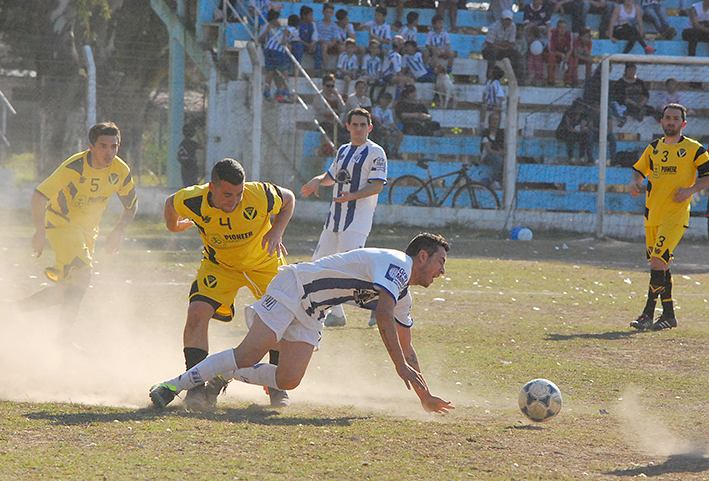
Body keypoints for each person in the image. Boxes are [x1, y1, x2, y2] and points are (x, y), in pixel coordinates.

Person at [149, 233, 455, 415]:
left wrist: (424, 396)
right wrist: (399, 365)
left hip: (314, 310)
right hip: (295, 287)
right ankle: (172, 385)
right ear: (422, 256)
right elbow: (384, 314)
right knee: (248, 354)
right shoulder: (399, 264)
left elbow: (407, 349)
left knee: (288, 379)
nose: (442, 270)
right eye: (440, 262)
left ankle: (222, 373)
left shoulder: (404, 296)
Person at [164, 158, 295, 409]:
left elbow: (288, 199)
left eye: (238, 194)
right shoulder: (193, 199)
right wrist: (174, 226)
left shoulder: (259, 194)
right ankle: (195, 387)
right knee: (197, 313)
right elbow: (171, 203)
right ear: (211, 187)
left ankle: (276, 387)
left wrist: (277, 230)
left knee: (278, 318)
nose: (234, 201)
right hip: (220, 266)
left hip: (264, 262)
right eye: (227, 194)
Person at [20, 122, 137, 343]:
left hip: (88, 232)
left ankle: (13, 313)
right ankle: (63, 340)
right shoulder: (74, 167)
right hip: (60, 223)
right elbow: (39, 195)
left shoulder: (120, 170)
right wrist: (39, 231)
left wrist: (119, 230)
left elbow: (131, 205)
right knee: (84, 273)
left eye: (114, 147)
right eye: (103, 146)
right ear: (91, 146)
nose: (109, 152)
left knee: (67, 291)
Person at [300, 108, 387, 327]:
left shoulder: (376, 152)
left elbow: (377, 186)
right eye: (354, 125)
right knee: (319, 267)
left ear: (370, 127)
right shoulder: (343, 150)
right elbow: (332, 176)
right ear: (348, 127)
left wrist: (353, 196)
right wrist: (317, 180)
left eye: (362, 125)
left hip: (357, 221)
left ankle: (378, 303)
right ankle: (336, 314)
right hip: (334, 220)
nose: (358, 129)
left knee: (351, 269)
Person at [628, 103, 709, 331]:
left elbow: (707, 176)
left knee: (657, 261)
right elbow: (639, 171)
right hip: (652, 214)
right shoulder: (653, 148)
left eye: (675, 118)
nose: (670, 121)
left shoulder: (695, 149)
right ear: (661, 121)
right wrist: (635, 183)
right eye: (667, 117)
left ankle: (647, 314)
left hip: (675, 216)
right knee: (661, 265)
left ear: (683, 124)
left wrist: (691, 190)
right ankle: (669, 315)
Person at [258, 9, 294, 103]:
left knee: (271, 70)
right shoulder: (266, 27)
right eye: (277, 19)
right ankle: (284, 90)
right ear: (273, 19)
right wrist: (267, 31)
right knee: (284, 69)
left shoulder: (277, 27)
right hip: (273, 50)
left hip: (270, 50)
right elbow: (260, 39)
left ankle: (267, 89)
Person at [482, 10, 525, 85]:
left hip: (503, 49)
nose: (507, 22)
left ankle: (518, 78)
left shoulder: (513, 26)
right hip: (490, 49)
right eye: (506, 19)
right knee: (492, 52)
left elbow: (511, 43)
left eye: (509, 20)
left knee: (516, 54)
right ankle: (489, 77)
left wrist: (499, 43)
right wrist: (504, 45)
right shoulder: (494, 27)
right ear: (502, 19)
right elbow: (489, 43)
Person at [313, 73, 347, 151]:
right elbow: (322, 110)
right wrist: (333, 111)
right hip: (323, 122)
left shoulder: (335, 96)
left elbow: (343, 109)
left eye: (332, 86)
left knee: (346, 134)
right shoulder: (319, 96)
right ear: (323, 85)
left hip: (335, 123)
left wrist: (338, 96)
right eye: (328, 86)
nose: (330, 88)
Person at [556, 99, 593, 164]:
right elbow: (568, 127)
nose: (580, 109)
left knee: (584, 137)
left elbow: (582, 125)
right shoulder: (568, 113)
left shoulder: (583, 115)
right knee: (571, 137)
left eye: (582, 108)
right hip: (564, 131)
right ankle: (571, 157)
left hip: (576, 132)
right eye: (579, 107)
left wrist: (584, 130)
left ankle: (581, 157)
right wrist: (578, 132)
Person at [372, 91, 404, 159]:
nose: (386, 103)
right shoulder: (376, 109)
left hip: (387, 127)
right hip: (379, 128)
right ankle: (386, 148)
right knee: (387, 133)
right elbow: (377, 120)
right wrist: (384, 126)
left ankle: (395, 150)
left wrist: (397, 129)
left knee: (400, 134)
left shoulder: (389, 111)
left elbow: (391, 122)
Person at [293, 5, 322, 71]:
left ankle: (318, 69)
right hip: (299, 44)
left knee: (318, 47)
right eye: (310, 15)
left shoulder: (312, 25)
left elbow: (315, 38)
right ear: (303, 16)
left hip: (308, 45)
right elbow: (297, 39)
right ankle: (297, 68)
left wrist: (312, 45)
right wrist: (308, 45)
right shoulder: (298, 24)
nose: (312, 17)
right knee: (299, 46)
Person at [480, 111, 505, 186]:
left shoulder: (501, 133)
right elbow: (489, 150)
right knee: (498, 160)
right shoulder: (486, 133)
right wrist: (500, 152)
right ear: (489, 121)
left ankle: (503, 182)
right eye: (493, 119)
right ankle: (495, 181)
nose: (495, 121)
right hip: (487, 156)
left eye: (496, 120)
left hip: (498, 155)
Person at [545, 19, 572, 86]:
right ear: (557, 28)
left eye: (564, 28)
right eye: (561, 27)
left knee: (571, 60)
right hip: (552, 53)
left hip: (563, 54)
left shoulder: (569, 34)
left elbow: (570, 48)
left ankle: (568, 81)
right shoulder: (552, 33)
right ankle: (550, 80)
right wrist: (561, 54)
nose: (562, 30)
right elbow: (551, 49)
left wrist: (567, 56)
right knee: (551, 58)